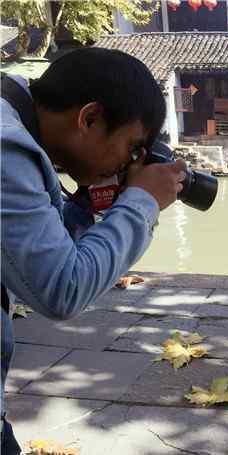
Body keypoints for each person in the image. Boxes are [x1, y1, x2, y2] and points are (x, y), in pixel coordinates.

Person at [1, 48, 187, 454]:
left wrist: (88, 204)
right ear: (89, 118)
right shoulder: (6, 149)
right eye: (132, 147)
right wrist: (142, 202)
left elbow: (28, 252)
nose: (129, 162)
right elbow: (62, 288)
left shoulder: (14, 123)